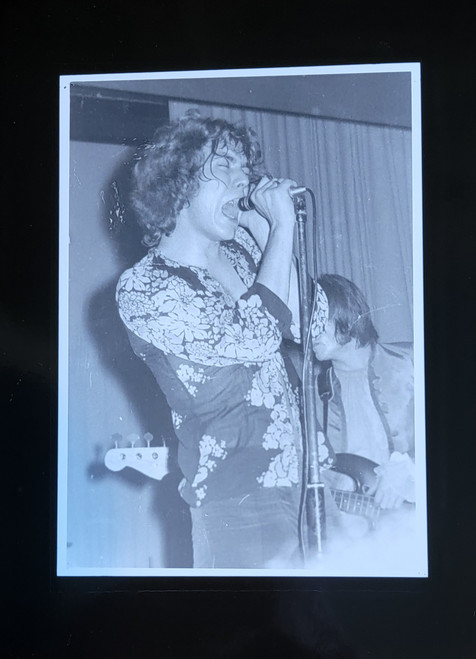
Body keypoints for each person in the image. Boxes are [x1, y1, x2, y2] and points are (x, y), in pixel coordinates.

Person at [115, 111, 333, 568]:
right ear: (180, 183)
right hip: (237, 502)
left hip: (308, 483)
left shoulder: (248, 255)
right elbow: (255, 338)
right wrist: (282, 231)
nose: (244, 181)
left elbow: (316, 329)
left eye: (244, 168)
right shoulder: (146, 285)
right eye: (226, 167)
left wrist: (265, 234)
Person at [312, 274, 415, 516]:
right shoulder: (314, 394)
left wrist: (411, 471)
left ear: (346, 313)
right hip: (359, 536)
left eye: (318, 318)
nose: (308, 330)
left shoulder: (412, 361)